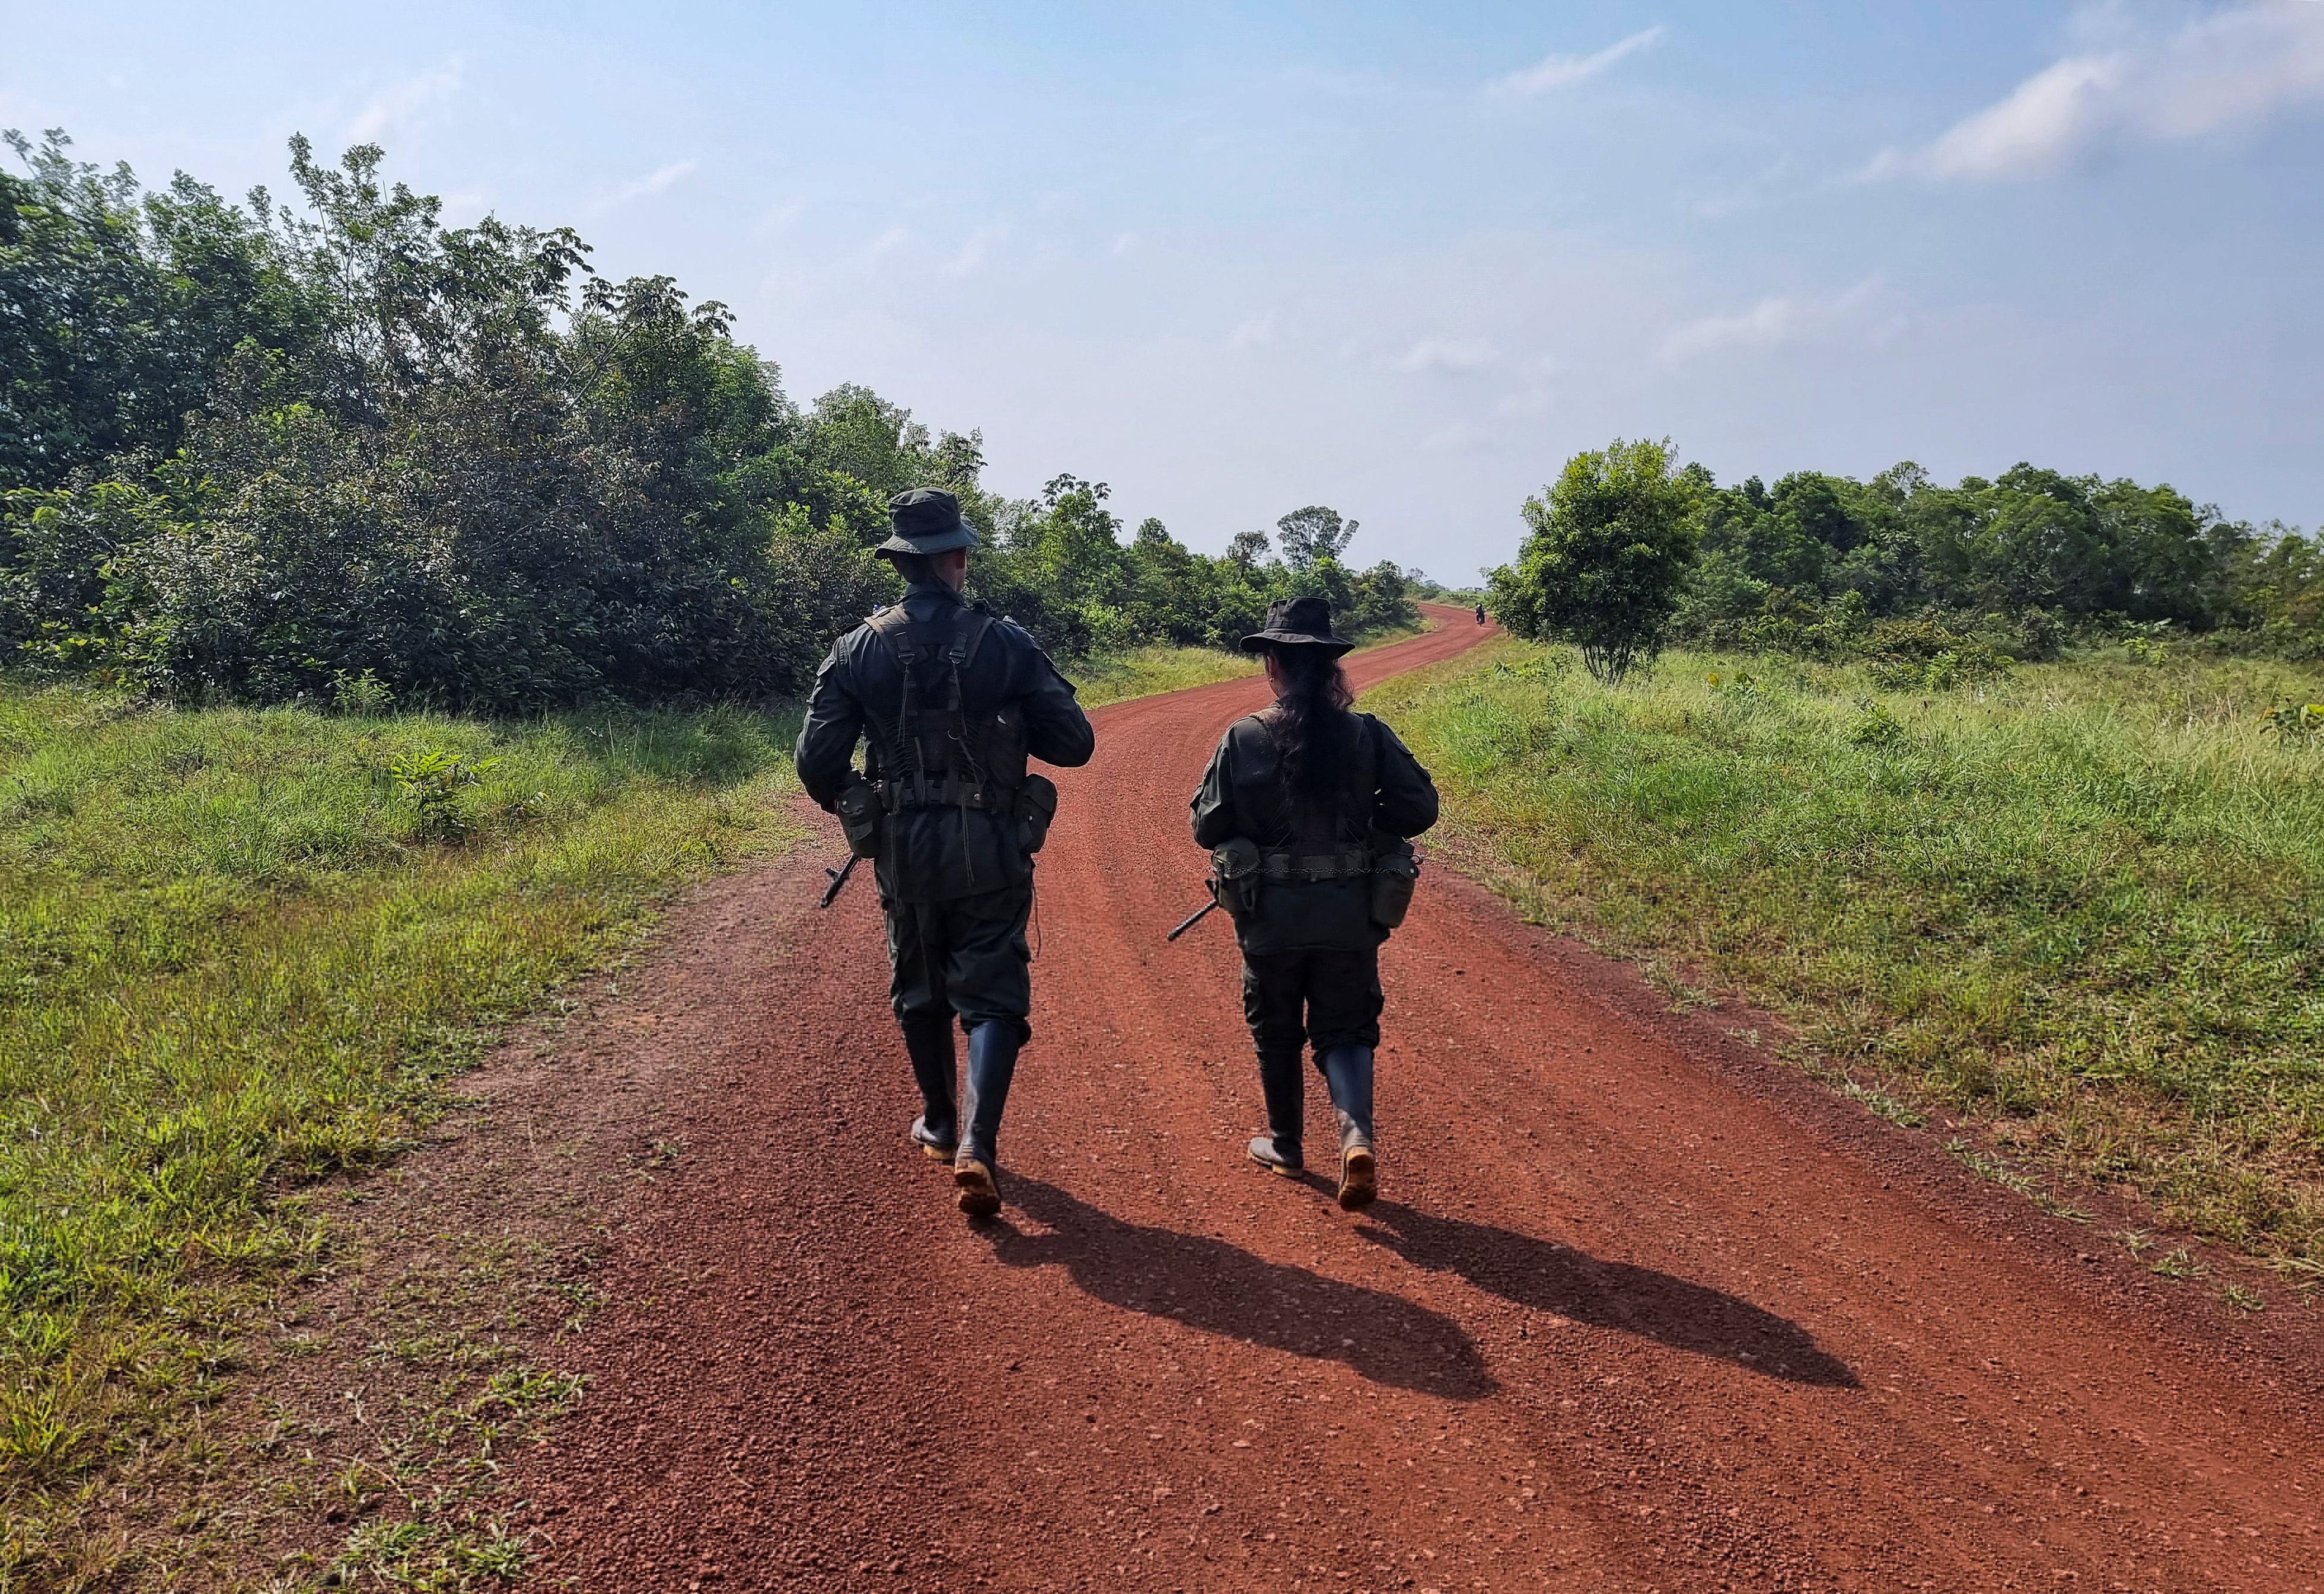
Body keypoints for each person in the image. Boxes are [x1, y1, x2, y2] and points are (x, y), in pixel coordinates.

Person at [795, 488, 1096, 1217]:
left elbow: (816, 761)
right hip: (992, 842)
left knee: (919, 988)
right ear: (956, 557)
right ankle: (979, 1144)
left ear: (902, 561)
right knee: (992, 997)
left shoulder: (857, 647)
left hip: (903, 848)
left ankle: (938, 1123)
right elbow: (1074, 744)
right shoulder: (1006, 642)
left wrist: (858, 801)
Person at [1189, 596, 1439, 1210]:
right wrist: (1369, 827)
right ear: (1331, 669)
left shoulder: (1243, 737)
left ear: (1272, 663)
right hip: (1349, 916)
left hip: (1269, 919)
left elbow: (1207, 827)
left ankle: (1286, 1145)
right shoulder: (1368, 735)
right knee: (1346, 1029)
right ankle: (1355, 1137)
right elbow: (1419, 809)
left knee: (1276, 1031)